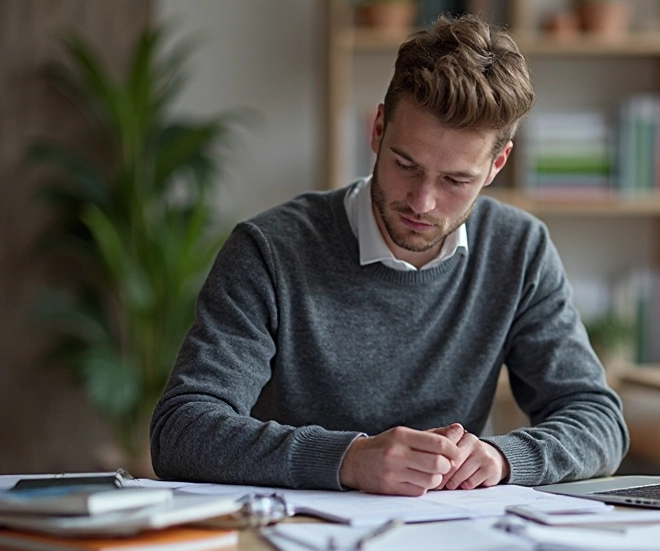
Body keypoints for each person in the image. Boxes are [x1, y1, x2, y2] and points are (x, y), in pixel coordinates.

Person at [150, 14, 629, 496]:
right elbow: (181, 430)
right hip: (299, 549)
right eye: (406, 164)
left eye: (455, 181)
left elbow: (598, 421)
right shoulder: (269, 250)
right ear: (378, 130)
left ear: (495, 166)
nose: (422, 202)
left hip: (456, 544)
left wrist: (505, 458)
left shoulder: (519, 250)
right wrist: (348, 460)